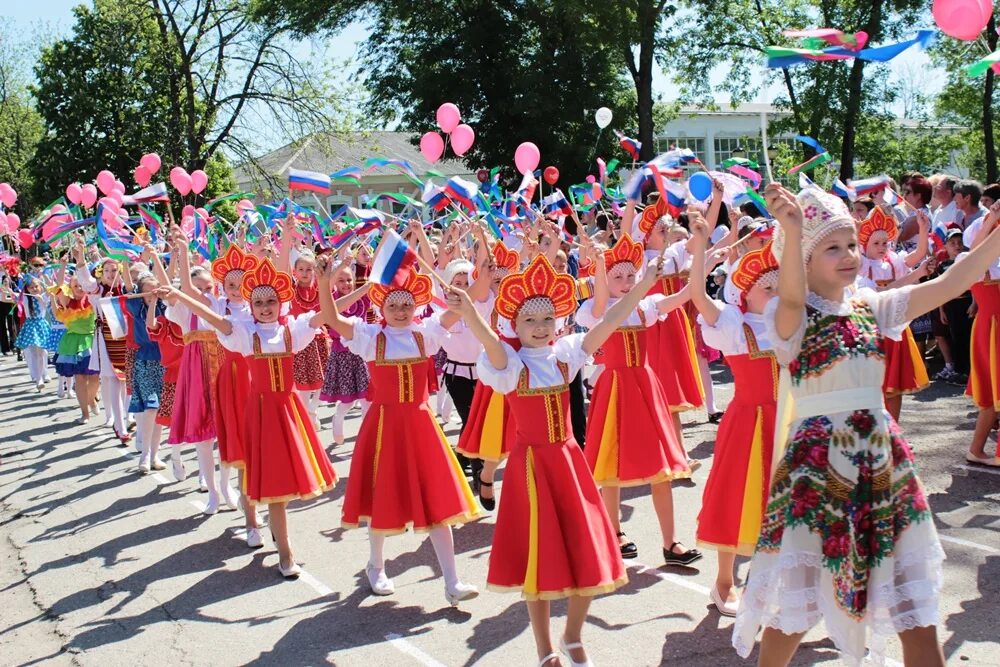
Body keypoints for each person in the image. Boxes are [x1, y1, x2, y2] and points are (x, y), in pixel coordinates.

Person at [731, 183, 1000, 667]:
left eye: (852, 244)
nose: (849, 255)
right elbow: (792, 298)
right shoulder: (790, 319)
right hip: (818, 471)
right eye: (832, 247)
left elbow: (950, 284)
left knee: (914, 609)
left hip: (881, 466)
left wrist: (997, 238)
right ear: (803, 261)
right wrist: (792, 232)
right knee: (796, 607)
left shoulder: (873, 306)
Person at [448, 253, 664, 667]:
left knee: (588, 548)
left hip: (568, 462)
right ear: (515, 324)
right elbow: (490, 343)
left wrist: (643, 286)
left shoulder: (566, 356)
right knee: (538, 558)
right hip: (531, 470)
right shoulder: (510, 365)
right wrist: (472, 311)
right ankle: (545, 649)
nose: (540, 327)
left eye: (547, 318)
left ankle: (572, 637)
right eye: (530, 320)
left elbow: (610, 322)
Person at [157, 256, 338, 578]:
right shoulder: (243, 332)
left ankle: (273, 537)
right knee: (267, 480)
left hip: (289, 410)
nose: (265, 307)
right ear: (251, 306)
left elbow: (327, 314)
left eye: (271, 301)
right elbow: (209, 314)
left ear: (281, 303)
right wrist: (180, 294)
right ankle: (283, 550)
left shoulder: (291, 331)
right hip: (259, 411)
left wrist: (328, 284)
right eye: (259, 302)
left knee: (288, 478)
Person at [329, 266, 480, 605]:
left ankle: (452, 582)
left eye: (407, 305)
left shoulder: (424, 334)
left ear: (417, 306)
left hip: (421, 425)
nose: (401, 312)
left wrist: (479, 270)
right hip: (384, 426)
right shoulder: (369, 338)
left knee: (437, 499)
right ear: (381, 308)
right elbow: (330, 315)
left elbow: (468, 301)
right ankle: (376, 565)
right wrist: (328, 282)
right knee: (381, 497)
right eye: (393, 306)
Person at [575, 233, 699, 566]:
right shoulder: (595, 310)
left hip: (646, 386)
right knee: (610, 463)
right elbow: (601, 304)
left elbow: (684, 295)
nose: (626, 282)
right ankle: (614, 532)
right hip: (614, 387)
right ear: (604, 278)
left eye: (631, 275)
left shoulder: (644, 306)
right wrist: (601, 265)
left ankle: (670, 541)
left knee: (661, 465)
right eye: (618, 276)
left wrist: (702, 255)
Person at [687, 216, 779, 618]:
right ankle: (724, 581)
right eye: (767, 287)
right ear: (745, 292)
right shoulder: (735, 325)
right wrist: (701, 247)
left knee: (790, 502)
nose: (775, 293)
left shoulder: (790, 323)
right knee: (735, 497)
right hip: (749, 422)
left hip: (789, 423)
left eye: (779, 286)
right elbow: (697, 295)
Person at [856, 206, 932, 421]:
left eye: (885, 243)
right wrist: (917, 273)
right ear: (865, 244)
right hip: (872, 330)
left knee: (895, 385)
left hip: (895, 329)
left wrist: (923, 230)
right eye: (876, 243)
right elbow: (880, 293)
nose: (882, 247)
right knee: (874, 384)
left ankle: (893, 429)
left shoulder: (894, 261)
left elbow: (918, 254)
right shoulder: (861, 267)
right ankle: (874, 430)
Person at [319, 251, 372, 446]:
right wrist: (339, 268)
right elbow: (329, 286)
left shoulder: (362, 300)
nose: (346, 284)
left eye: (349, 280)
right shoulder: (331, 300)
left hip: (361, 355)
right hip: (342, 356)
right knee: (348, 400)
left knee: (368, 398)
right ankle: (338, 420)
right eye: (341, 280)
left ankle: (366, 435)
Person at [51, 257, 100, 423]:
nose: (79, 288)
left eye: (81, 285)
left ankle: (92, 399)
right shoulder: (68, 302)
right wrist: (63, 265)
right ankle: (84, 413)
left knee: (94, 378)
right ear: (70, 288)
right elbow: (58, 287)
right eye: (75, 286)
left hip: (92, 340)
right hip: (73, 343)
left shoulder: (92, 300)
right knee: (80, 378)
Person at [15, 275, 53, 390]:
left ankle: (40, 376)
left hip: (41, 325)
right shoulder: (25, 298)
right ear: (27, 289)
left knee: (41, 353)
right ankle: (38, 378)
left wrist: (41, 298)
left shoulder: (45, 296)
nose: (34, 289)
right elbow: (10, 296)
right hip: (30, 326)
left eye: (36, 286)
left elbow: (48, 307)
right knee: (34, 353)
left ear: (40, 287)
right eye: (31, 287)